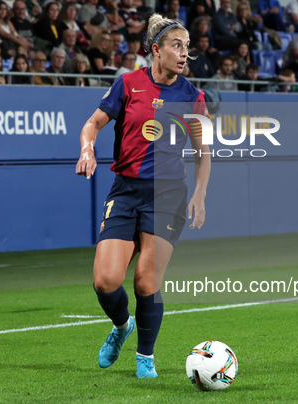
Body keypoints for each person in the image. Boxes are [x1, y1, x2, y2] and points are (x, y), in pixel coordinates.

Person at [75, 13, 210, 379]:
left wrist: (199, 193)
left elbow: (204, 151)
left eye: (187, 48)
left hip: (168, 195)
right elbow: (93, 124)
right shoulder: (128, 84)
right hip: (126, 189)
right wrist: (88, 149)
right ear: (156, 50)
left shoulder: (192, 96)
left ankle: (145, 357)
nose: (184, 54)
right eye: (177, 46)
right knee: (106, 281)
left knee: (146, 282)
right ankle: (122, 326)